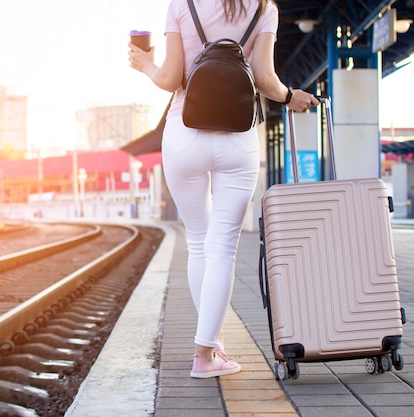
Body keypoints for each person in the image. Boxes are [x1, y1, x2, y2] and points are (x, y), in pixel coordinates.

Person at [129, 0, 319, 378]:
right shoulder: (265, 7)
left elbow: (170, 78)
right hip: (238, 136)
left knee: (198, 242)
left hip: (184, 133)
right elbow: (264, 80)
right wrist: (289, 96)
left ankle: (210, 345)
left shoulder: (181, 5)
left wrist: (144, 63)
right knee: (223, 248)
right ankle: (205, 352)